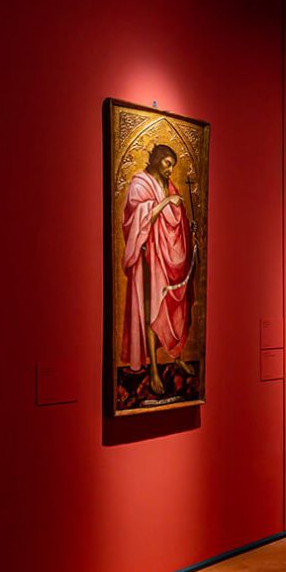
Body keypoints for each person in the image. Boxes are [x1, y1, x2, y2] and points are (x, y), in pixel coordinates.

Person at [120, 144, 194, 397]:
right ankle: (152, 369)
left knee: (174, 307)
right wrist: (165, 202)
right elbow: (138, 219)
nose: (170, 169)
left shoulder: (168, 184)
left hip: (169, 256)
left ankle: (176, 357)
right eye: (167, 163)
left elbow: (176, 220)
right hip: (149, 257)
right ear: (156, 160)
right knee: (153, 308)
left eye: (173, 164)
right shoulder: (140, 183)